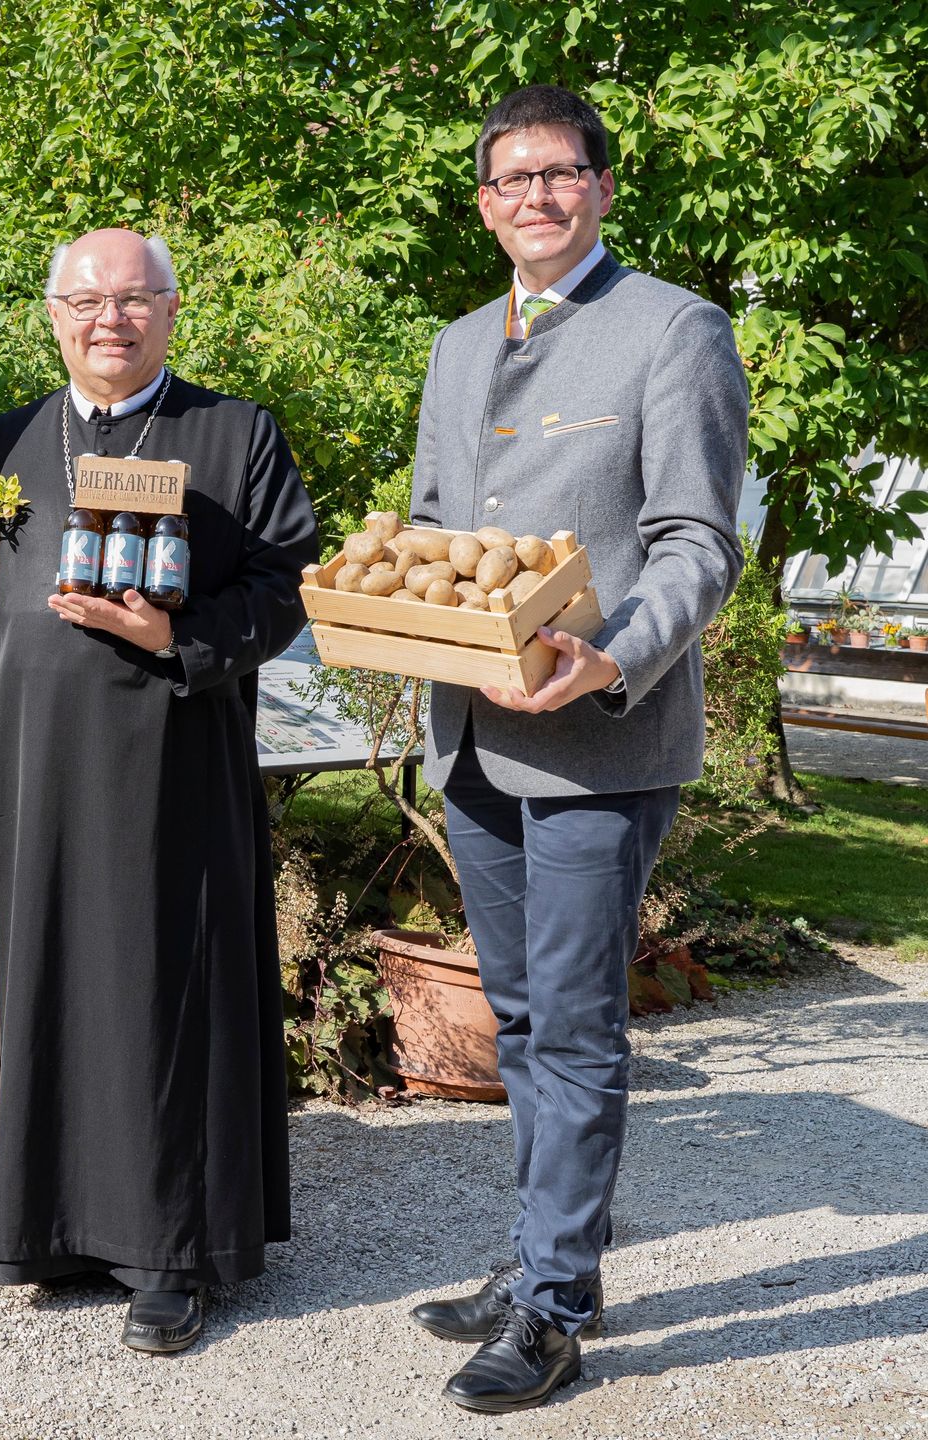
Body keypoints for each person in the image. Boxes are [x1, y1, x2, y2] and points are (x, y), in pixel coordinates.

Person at [404, 86, 748, 1412]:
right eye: (509, 180)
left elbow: (699, 543)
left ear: (603, 187)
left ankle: (549, 1309)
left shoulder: (674, 330)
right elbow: (437, 530)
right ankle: (550, 1262)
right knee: (525, 1018)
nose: (534, 198)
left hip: (604, 733)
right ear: (485, 203)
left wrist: (616, 656)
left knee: (579, 1023)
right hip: (475, 739)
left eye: (560, 174)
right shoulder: (451, 345)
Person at [0, 228, 318, 1354]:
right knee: (55, 984)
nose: (108, 319)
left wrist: (183, 634)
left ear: (171, 311)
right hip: (36, 759)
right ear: (53, 315)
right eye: (85, 300)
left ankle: (171, 1251)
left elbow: (286, 588)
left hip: (175, 755)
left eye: (133, 299)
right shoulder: (9, 438)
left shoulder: (236, 433)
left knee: (166, 991)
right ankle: (58, 1227)